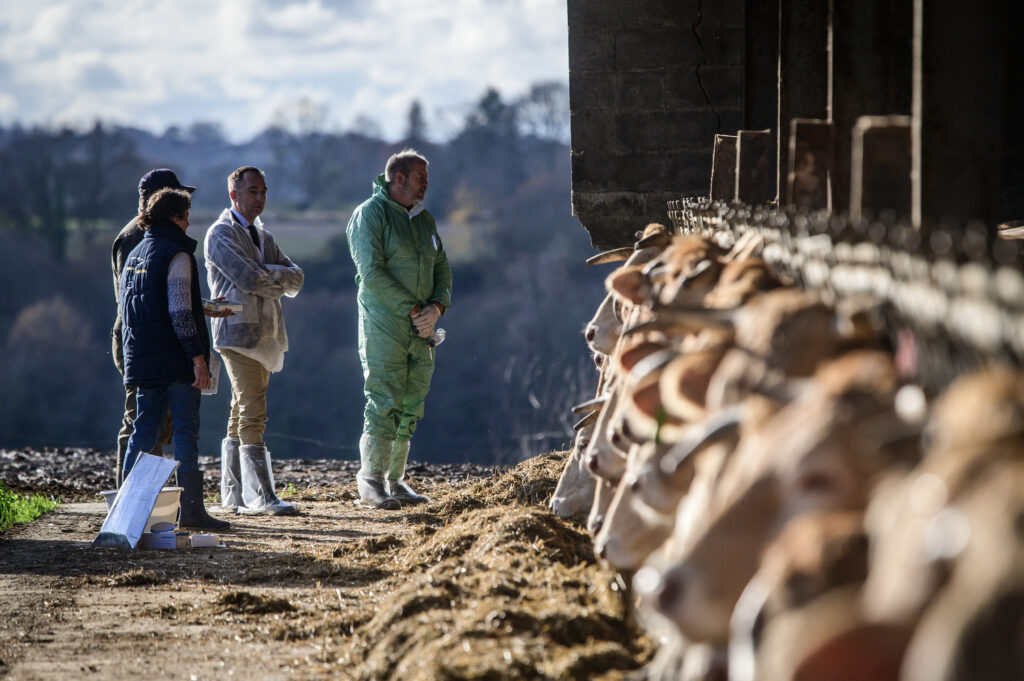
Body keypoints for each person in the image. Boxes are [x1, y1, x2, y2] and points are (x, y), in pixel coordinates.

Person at [345, 149, 452, 509]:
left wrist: (436, 307)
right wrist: (414, 310)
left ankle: (394, 479)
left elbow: (442, 268)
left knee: (412, 401)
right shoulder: (370, 214)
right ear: (399, 178)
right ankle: (371, 481)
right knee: (384, 398)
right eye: (421, 178)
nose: (426, 185)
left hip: (422, 327)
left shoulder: (424, 220)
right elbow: (371, 273)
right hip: (384, 324)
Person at [119, 188, 228, 530]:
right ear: (175, 218)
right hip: (177, 361)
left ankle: (126, 509)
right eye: (186, 217)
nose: (188, 224)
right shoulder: (177, 254)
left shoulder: (135, 255)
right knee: (185, 432)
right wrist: (198, 360)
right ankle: (191, 510)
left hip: (142, 358)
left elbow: (138, 308)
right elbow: (180, 313)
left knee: (143, 431)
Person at [205, 166, 304, 516]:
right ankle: (261, 495)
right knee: (253, 409)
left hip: (263, 334)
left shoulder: (263, 236)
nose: (260, 198)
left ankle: (234, 496)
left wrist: (270, 274)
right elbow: (249, 279)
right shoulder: (220, 234)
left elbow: (297, 278)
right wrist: (276, 278)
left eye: (263, 191)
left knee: (240, 409)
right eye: (253, 191)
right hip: (236, 332)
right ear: (234, 195)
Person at [111, 169, 194, 487]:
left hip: (144, 339)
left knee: (154, 424)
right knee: (141, 424)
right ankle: (131, 500)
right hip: (145, 341)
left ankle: (146, 500)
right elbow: (141, 299)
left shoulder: (141, 233)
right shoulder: (137, 237)